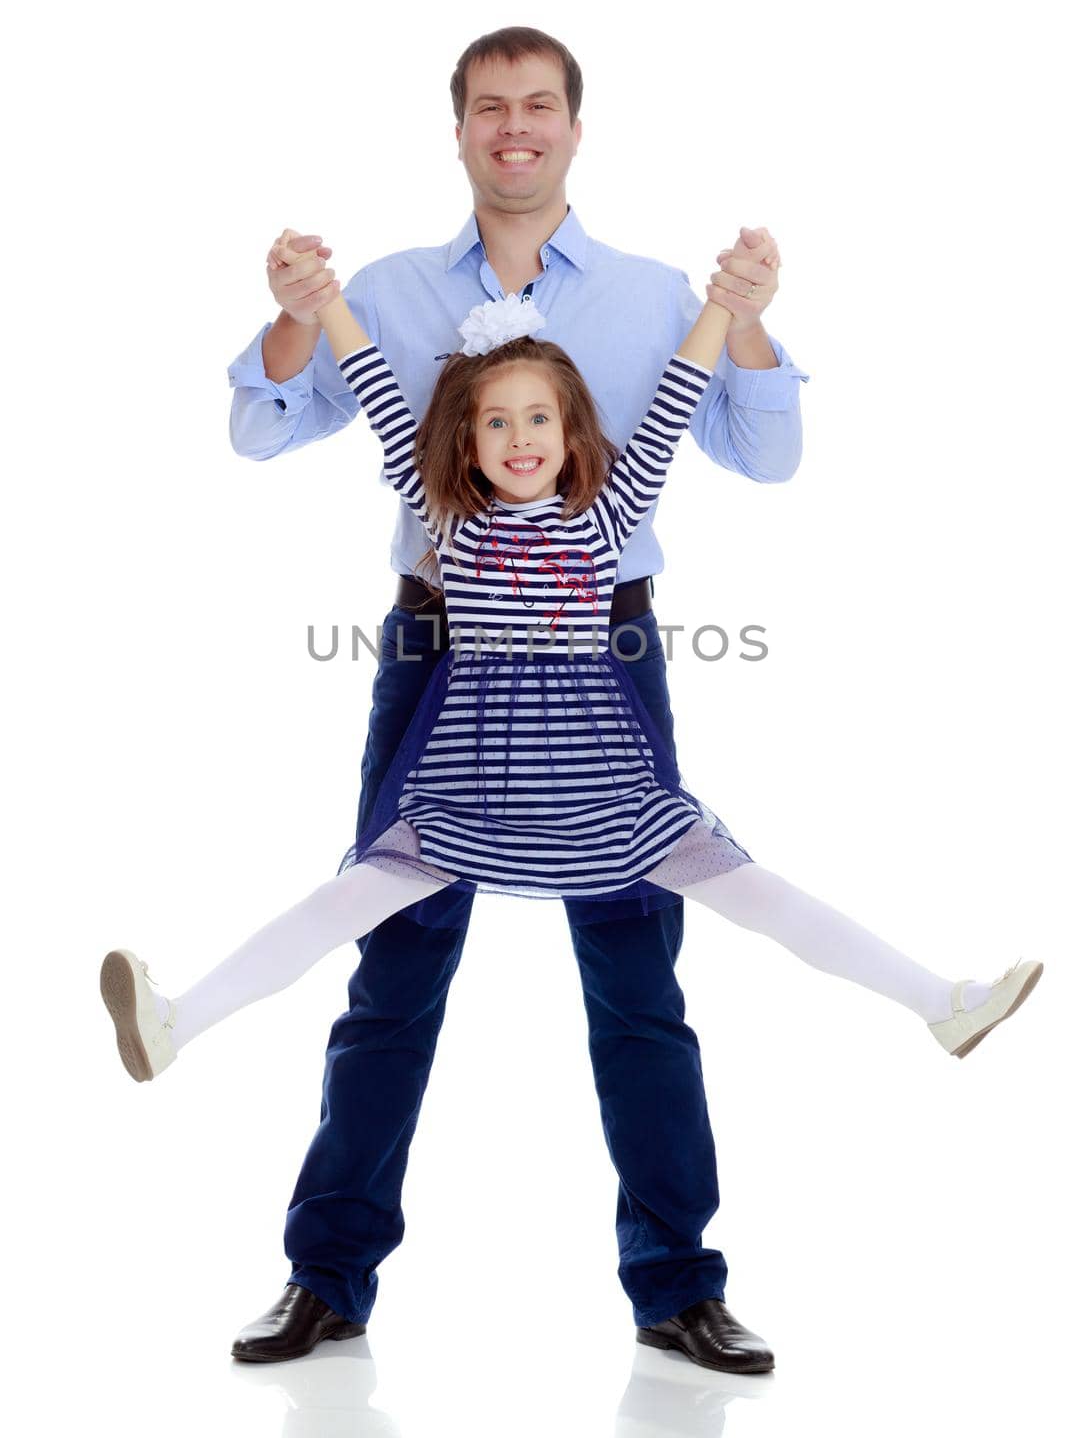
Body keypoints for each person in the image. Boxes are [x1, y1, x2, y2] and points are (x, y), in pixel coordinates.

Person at [103, 240, 1042, 1367]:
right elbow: (363, 381)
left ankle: (939, 1000)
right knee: (348, 925)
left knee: (756, 905)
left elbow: (678, 400)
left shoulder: (606, 516)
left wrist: (721, 309)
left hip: (587, 793)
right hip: (485, 791)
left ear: (570, 433)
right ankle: (180, 1026)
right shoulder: (444, 521)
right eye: (494, 424)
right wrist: (321, 308)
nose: (516, 440)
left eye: (536, 421)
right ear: (461, 442)